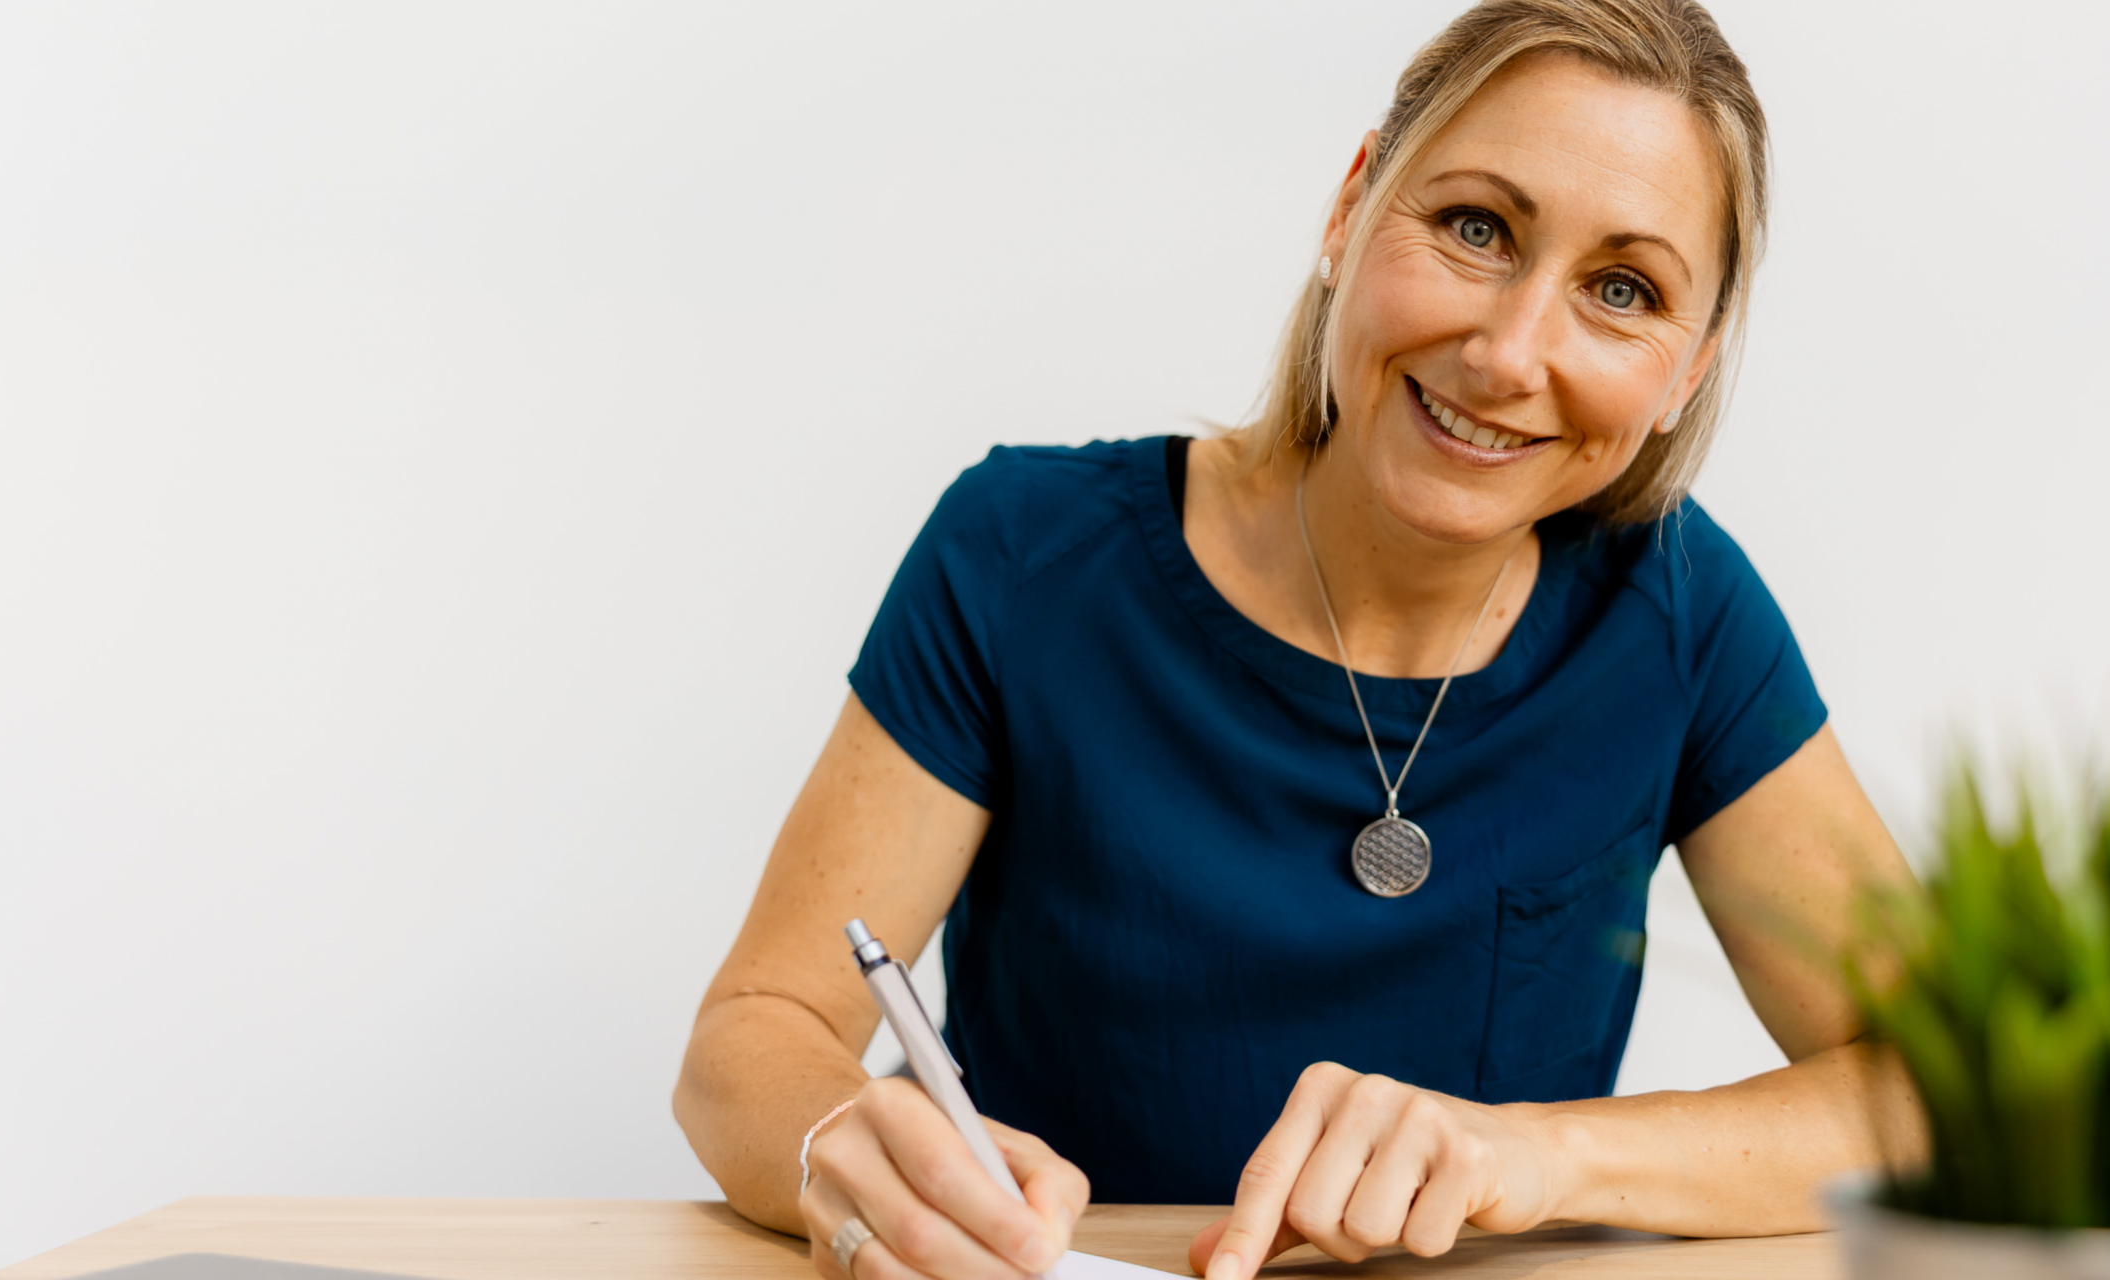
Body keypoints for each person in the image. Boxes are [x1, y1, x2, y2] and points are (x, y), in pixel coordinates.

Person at [674, 2, 1923, 1277]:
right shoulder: (1023, 555)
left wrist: (1536, 1156)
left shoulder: (1677, 616)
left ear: (1687, 371)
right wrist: (836, 1138)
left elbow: (1949, 1093)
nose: (1507, 352)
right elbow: (752, 1033)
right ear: (1349, 213)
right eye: (1474, 227)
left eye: (1621, 290)